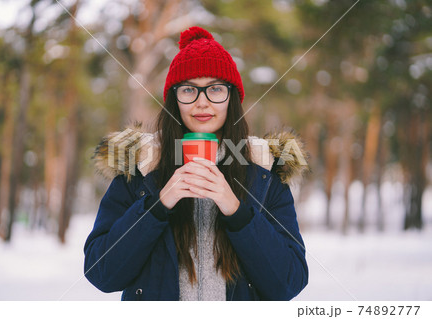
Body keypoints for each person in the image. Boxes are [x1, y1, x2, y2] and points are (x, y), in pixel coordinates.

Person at [85, 26, 309, 301]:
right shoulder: (139, 170)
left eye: (215, 89)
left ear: (232, 99)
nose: (202, 103)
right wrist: (158, 205)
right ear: (174, 100)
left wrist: (237, 211)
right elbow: (101, 273)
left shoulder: (265, 173)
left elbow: (289, 282)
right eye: (189, 90)